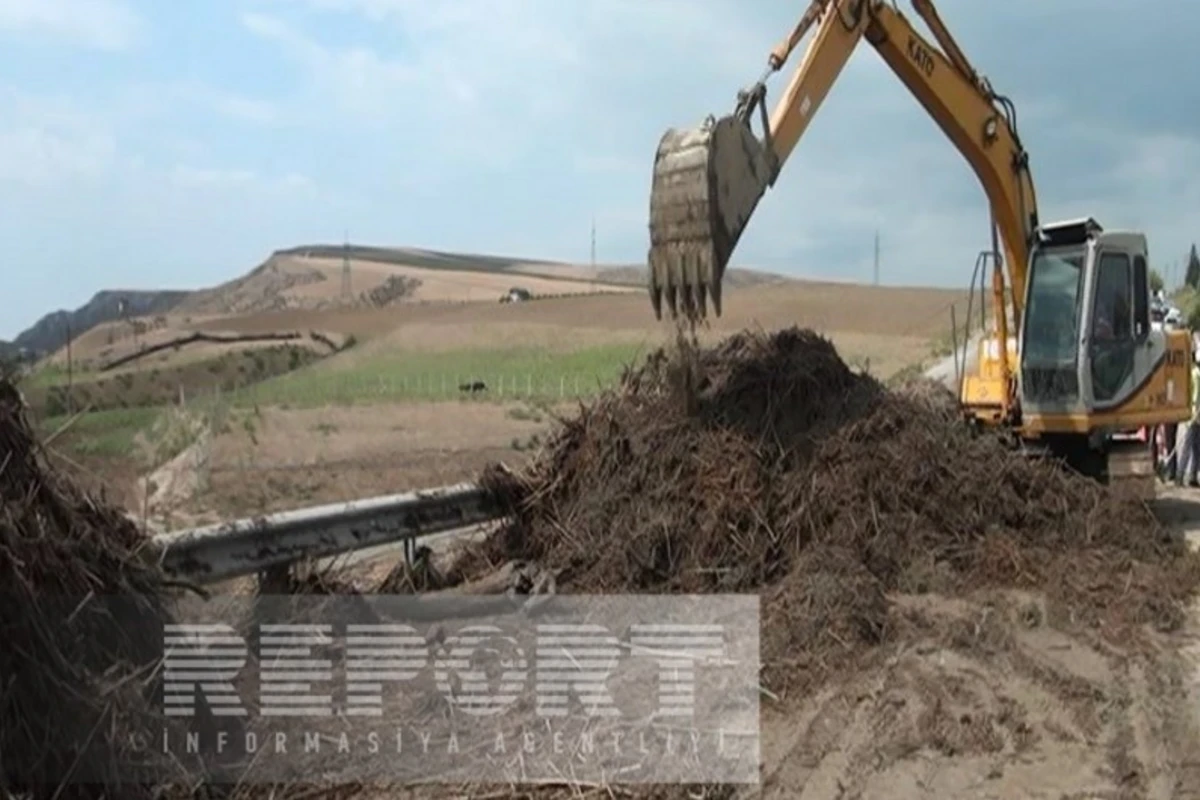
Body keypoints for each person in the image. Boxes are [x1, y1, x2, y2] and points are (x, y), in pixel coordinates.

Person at [1176, 350, 1200, 488]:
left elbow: (1194, 395)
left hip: (1193, 415)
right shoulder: (1195, 374)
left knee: (1192, 446)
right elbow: (1195, 396)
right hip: (1195, 416)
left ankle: (1188, 475)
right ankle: (1185, 475)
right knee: (1193, 446)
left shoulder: (1193, 373)